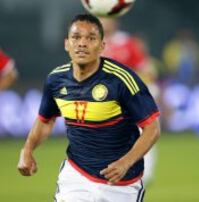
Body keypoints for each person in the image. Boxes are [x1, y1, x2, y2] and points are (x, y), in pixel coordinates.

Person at [17, 14, 161, 201]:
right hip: (76, 176)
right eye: (76, 37)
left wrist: (125, 163)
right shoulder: (56, 80)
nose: (82, 44)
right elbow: (45, 120)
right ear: (67, 44)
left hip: (121, 183)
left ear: (102, 45)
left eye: (91, 38)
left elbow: (152, 128)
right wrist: (27, 150)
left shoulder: (122, 79)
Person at [99, 16, 159, 185]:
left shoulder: (127, 42)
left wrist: (150, 89)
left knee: (144, 131)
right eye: (101, 19)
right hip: (105, 101)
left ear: (115, 22)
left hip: (130, 98)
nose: (104, 23)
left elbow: (145, 68)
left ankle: (146, 172)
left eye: (107, 19)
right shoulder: (95, 43)